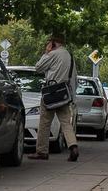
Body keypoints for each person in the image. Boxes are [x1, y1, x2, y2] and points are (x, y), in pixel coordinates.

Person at [29, 34, 79, 162]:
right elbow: (74, 79)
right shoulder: (70, 56)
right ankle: (73, 147)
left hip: (51, 93)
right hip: (64, 94)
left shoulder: (53, 54)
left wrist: (47, 52)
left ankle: (42, 151)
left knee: (44, 122)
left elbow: (38, 67)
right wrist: (71, 97)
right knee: (66, 123)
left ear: (53, 43)